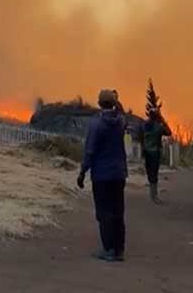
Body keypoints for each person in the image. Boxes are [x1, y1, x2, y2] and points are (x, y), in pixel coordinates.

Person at [77, 89, 128, 262]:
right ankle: (119, 250)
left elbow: (90, 150)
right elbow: (122, 114)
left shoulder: (96, 124)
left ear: (99, 103)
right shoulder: (120, 122)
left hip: (101, 175)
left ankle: (108, 249)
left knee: (104, 212)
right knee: (118, 212)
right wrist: (117, 102)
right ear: (114, 103)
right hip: (119, 174)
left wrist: (83, 171)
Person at [141, 107, 172, 204]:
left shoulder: (144, 125)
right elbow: (169, 132)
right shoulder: (158, 127)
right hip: (155, 152)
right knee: (154, 174)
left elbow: (140, 136)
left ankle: (152, 195)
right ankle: (154, 196)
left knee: (150, 173)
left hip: (146, 152)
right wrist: (163, 120)